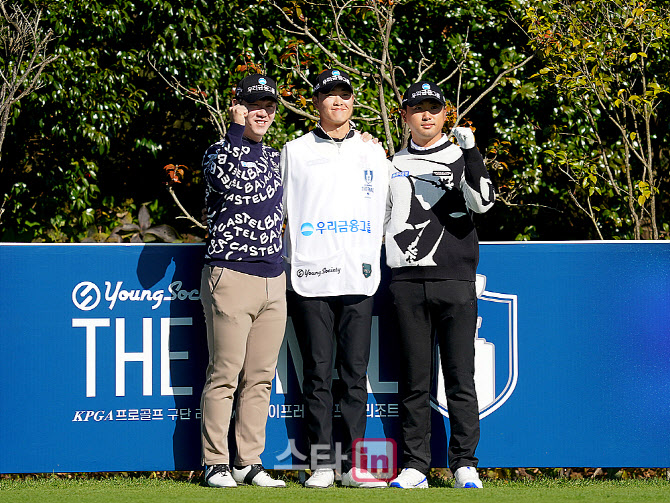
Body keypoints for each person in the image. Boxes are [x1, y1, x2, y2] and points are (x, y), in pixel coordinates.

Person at [280, 68, 390, 488]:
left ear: (353, 102)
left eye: (344, 95)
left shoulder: (371, 151)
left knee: (354, 374)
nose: (337, 102)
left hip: (358, 275)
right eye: (329, 95)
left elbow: (384, 207)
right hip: (310, 275)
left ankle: (356, 465)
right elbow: (282, 209)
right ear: (316, 102)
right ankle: (324, 464)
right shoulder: (295, 150)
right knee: (317, 374)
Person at [384, 81, 496, 489]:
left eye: (433, 108)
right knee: (414, 379)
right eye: (418, 108)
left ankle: (465, 462)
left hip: (455, 280)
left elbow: (483, 202)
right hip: (408, 282)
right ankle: (415, 465)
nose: (426, 115)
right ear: (406, 116)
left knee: (460, 378)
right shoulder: (392, 162)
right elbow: (385, 219)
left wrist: (471, 152)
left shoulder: (462, 153)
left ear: (445, 114)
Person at [199, 74, 287, 488]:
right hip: (231, 274)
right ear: (238, 108)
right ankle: (215, 462)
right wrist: (235, 132)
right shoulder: (218, 151)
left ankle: (248, 462)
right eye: (253, 105)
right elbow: (227, 181)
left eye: (268, 106)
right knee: (225, 374)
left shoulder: (274, 158)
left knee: (260, 378)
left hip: (273, 279)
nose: (262, 112)